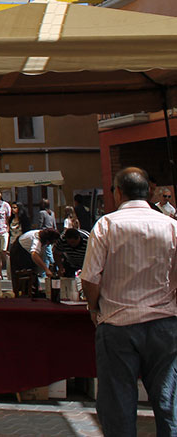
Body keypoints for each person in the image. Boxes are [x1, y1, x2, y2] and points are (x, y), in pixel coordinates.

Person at [81, 167, 177, 437]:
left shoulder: (107, 224)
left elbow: (90, 278)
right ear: (149, 192)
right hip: (164, 323)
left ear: (118, 192)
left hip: (118, 323)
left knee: (118, 403)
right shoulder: (171, 225)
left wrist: (93, 307)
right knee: (168, 400)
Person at [9, 228, 60, 295]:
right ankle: (23, 294)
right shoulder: (37, 238)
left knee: (33, 274)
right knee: (23, 276)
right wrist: (46, 269)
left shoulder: (42, 238)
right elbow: (34, 254)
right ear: (48, 239)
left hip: (27, 253)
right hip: (19, 252)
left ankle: (33, 291)